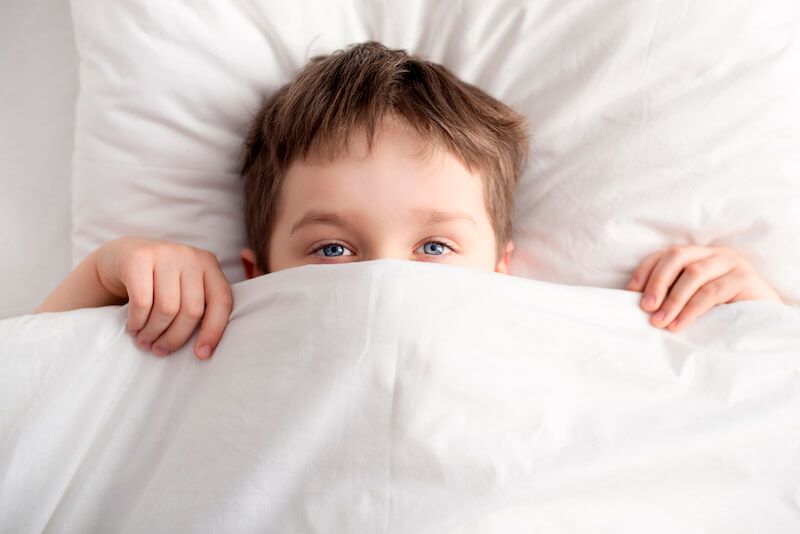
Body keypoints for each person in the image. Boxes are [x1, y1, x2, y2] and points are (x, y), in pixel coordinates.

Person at [34, 42, 783, 360]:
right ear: (256, 276)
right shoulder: (218, 338)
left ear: (501, 269)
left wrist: (761, 324)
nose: (384, 282)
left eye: (434, 248)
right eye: (331, 249)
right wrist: (107, 273)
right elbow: (25, 414)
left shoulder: (550, 341)